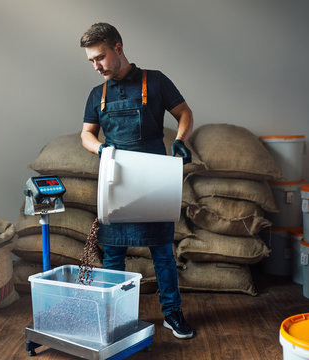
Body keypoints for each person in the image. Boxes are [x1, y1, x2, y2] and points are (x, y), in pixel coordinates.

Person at [79, 22, 194, 339]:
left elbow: (184, 112)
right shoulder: (96, 94)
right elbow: (86, 134)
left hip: (154, 179)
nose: (96, 66)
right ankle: (115, 318)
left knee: (163, 254)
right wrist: (100, 148)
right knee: (114, 255)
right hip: (116, 180)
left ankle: (172, 315)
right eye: (91, 61)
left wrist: (181, 140)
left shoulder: (155, 82)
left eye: (100, 57)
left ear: (118, 48)